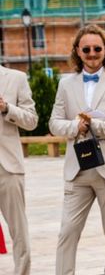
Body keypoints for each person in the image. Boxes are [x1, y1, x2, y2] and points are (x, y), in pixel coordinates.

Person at [49, 25, 105, 275]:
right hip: (77, 171)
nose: (92, 53)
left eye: (97, 48)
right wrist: (76, 126)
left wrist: (94, 124)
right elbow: (54, 123)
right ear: (77, 51)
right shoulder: (65, 85)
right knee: (66, 232)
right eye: (86, 48)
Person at [0, 64, 37, 275]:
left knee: (18, 231)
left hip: (8, 166)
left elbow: (32, 120)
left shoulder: (16, 78)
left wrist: (7, 108)